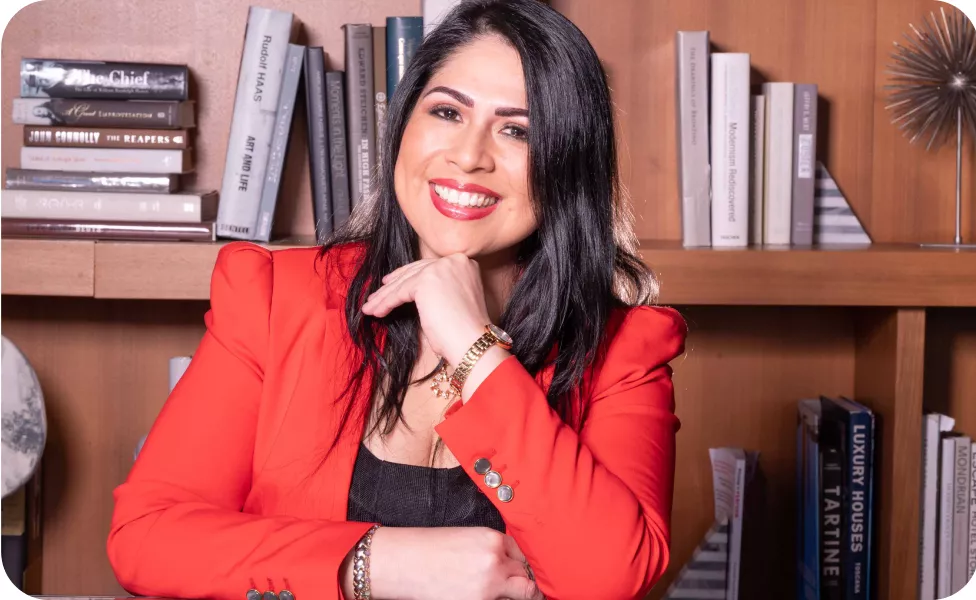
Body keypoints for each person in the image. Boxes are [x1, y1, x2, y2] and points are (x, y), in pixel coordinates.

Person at [106, 1, 687, 599]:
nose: (468, 156)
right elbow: (147, 540)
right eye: (446, 112)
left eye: (518, 130)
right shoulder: (277, 301)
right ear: (403, 127)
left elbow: (609, 577)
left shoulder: (624, 350)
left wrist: (474, 345)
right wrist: (377, 561)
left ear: (569, 164)